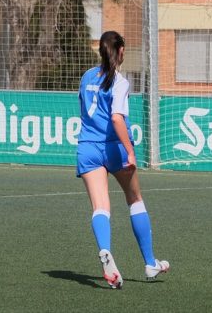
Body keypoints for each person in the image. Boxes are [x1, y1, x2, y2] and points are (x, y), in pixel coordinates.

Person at [77, 31, 169, 288]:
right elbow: (117, 118)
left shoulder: (86, 77)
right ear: (120, 52)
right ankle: (150, 263)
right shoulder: (119, 81)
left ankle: (105, 250)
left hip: (87, 147)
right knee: (135, 200)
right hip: (114, 148)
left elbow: (84, 110)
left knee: (101, 207)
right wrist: (129, 150)